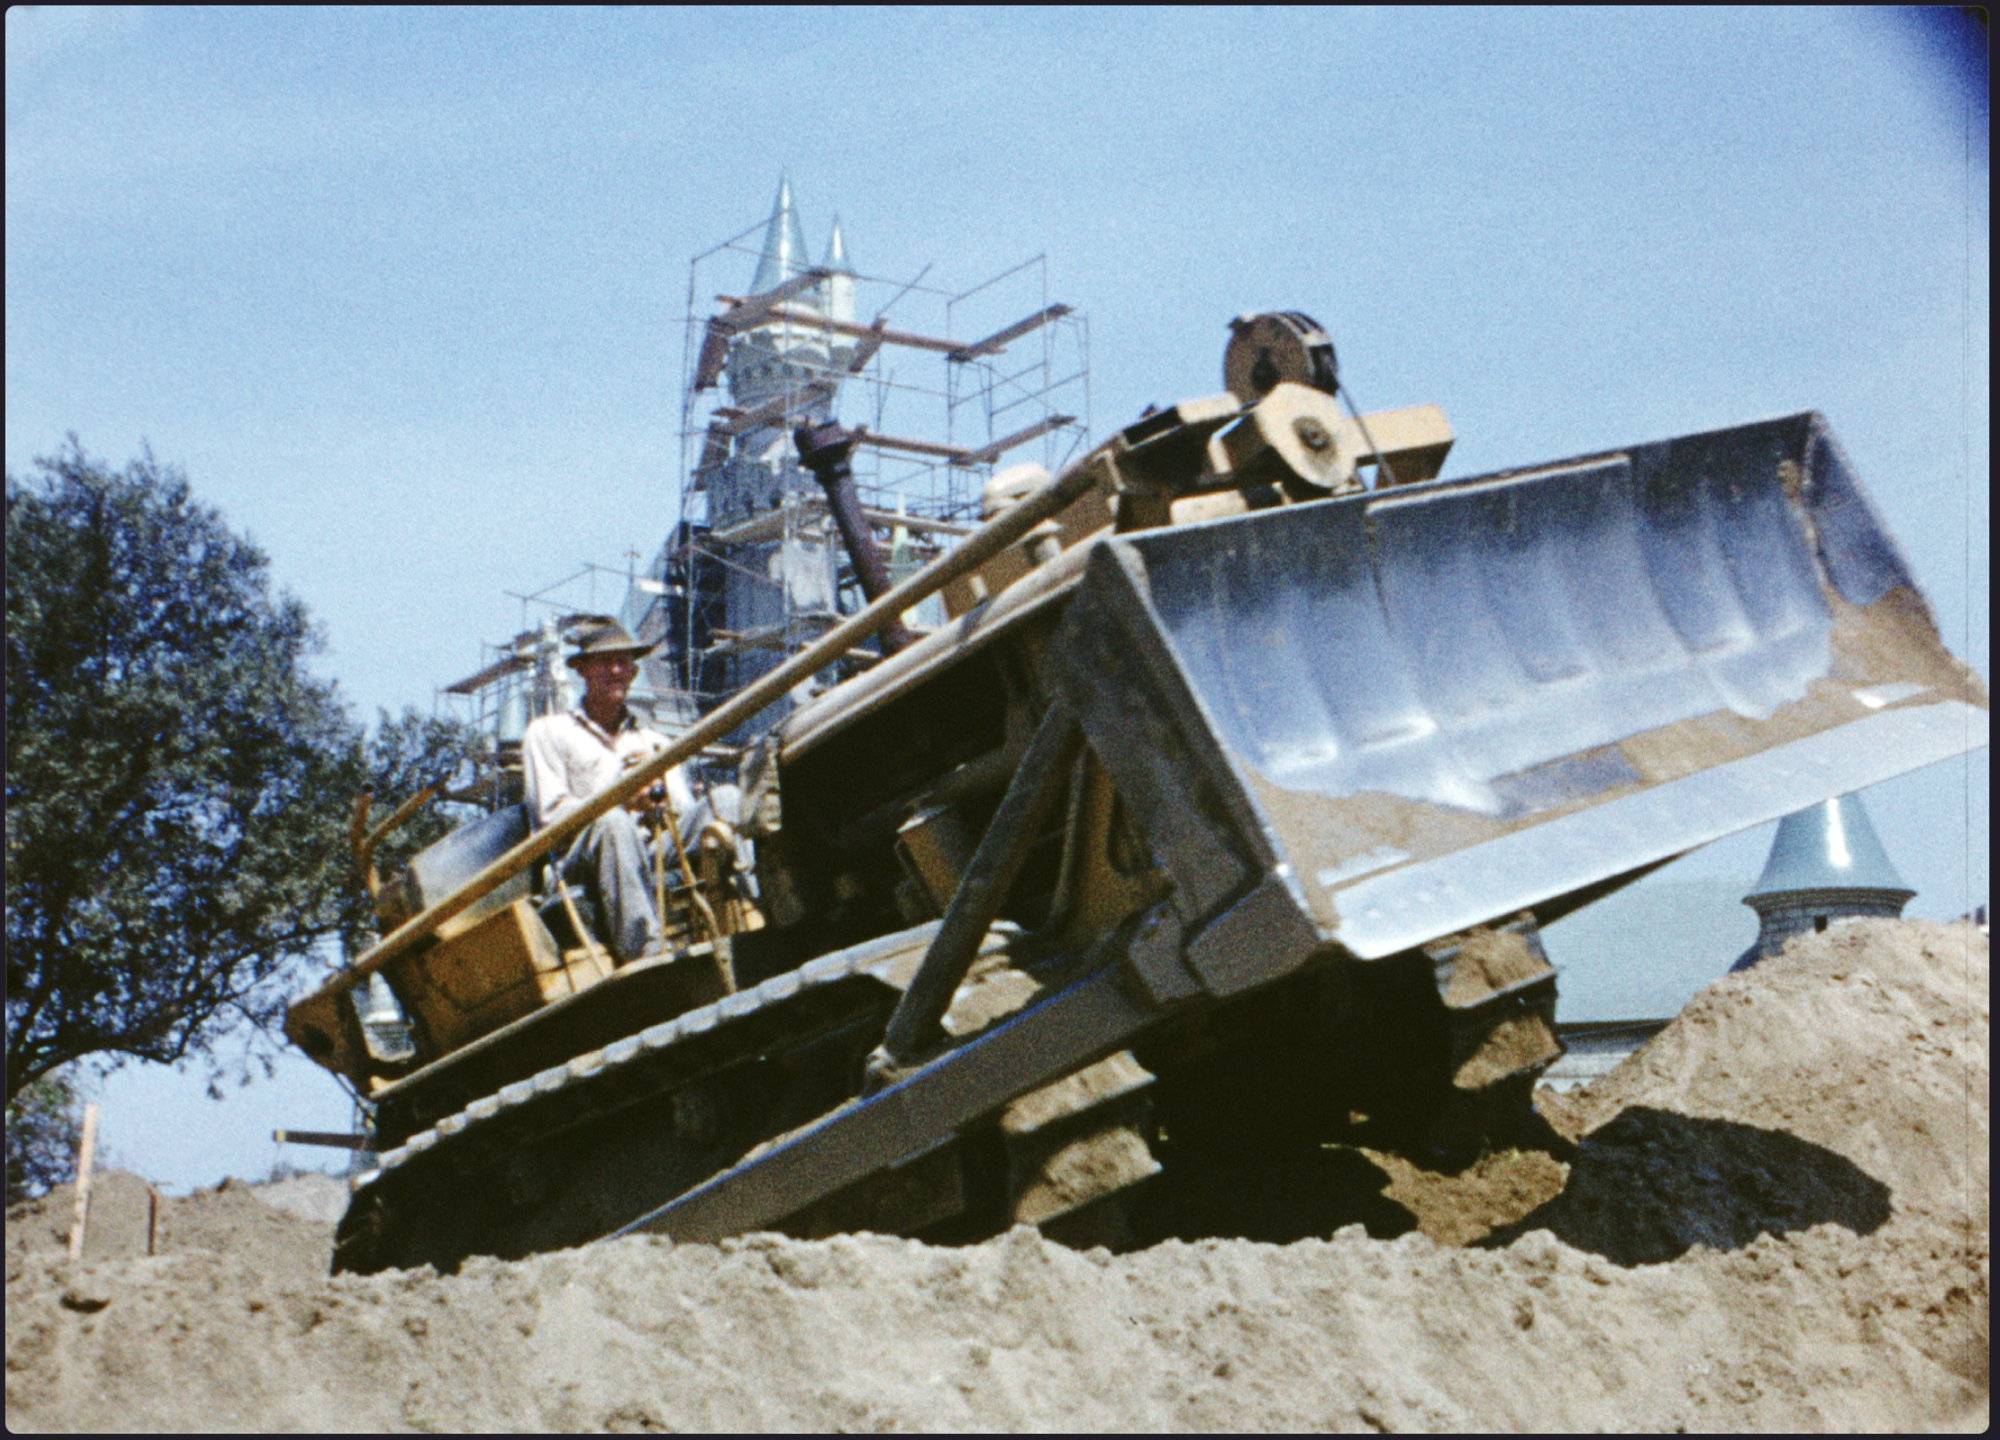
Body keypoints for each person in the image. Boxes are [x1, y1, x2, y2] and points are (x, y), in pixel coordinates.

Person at [521, 621, 693, 964]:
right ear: (581, 669)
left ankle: (759, 910)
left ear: (634, 671)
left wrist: (656, 798)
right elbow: (551, 818)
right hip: (578, 858)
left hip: (647, 846)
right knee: (613, 823)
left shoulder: (654, 742)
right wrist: (622, 797)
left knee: (725, 803)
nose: (615, 670)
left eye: (623, 661)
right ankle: (646, 952)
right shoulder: (548, 733)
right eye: (604, 662)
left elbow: (684, 812)